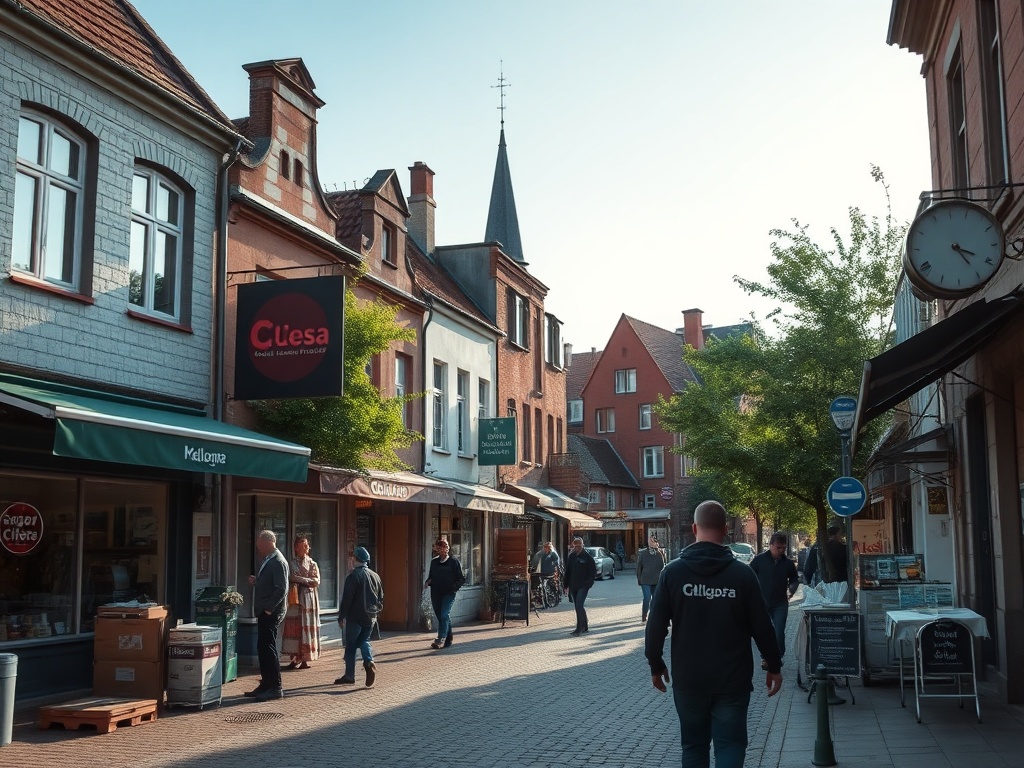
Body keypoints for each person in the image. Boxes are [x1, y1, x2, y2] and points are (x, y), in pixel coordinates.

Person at [645, 500, 782, 768]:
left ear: (695, 528)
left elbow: (656, 626)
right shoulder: (742, 575)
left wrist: (656, 663)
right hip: (732, 680)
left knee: (694, 746)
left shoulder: (672, 573)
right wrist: (774, 665)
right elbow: (763, 626)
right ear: (725, 529)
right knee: (730, 745)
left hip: (689, 679)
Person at [245, 530, 289, 701]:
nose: (258, 547)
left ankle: (275, 686)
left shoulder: (278, 561)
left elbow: (281, 588)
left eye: (259, 544)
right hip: (264, 611)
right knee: (263, 648)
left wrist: (269, 608)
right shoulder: (269, 559)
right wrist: (258, 581)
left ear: (267, 542)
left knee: (268, 648)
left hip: (270, 613)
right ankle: (266, 684)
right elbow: (271, 583)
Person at [335, 546, 384, 688]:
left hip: (355, 616)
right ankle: (368, 661)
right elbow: (381, 597)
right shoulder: (375, 576)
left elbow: (347, 598)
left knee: (351, 645)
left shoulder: (353, 576)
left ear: (355, 560)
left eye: (352, 558)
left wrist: (341, 616)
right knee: (364, 641)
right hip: (371, 616)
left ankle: (350, 675)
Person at [749, 533, 799, 663]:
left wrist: (791, 590)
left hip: (780, 603)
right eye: (778, 548)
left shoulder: (787, 563)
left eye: (783, 548)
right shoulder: (759, 560)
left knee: (779, 632)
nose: (781, 551)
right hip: (762, 602)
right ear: (771, 545)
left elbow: (794, 579)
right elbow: (749, 576)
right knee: (763, 632)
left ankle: (778, 656)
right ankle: (765, 657)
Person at [282, 535, 321, 670]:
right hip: (296, 598)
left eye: (306, 546)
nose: (305, 548)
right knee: (295, 629)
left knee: (307, 628)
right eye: (302, 546)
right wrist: (305, 580)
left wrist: (302, 579)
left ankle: (305, 659)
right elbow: (291, 577)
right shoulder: (292, 563)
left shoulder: (312, 563)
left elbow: (316, 581)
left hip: (309, 599)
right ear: (296, 548)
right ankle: (294, 659)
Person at [424, 538, 465, 649]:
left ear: (448, 548)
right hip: (436, 593)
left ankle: (440, 638)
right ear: (437, 549)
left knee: (444, 614)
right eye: (440, 547)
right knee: (442, 616)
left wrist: (454, 588)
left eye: (445, 547)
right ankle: (449, 638)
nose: (443, 549)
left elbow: (461, 578)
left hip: (448, 593)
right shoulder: (434, 562)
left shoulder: (453, 561)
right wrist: (428, 582)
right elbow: (431, 577)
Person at [563, 536, 596, 636]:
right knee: (577, 606)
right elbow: (567, 571)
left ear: (583, 545)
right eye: (575, 546)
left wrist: (588, 584)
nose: (577, 548)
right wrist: (566, 585)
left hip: (583, 585)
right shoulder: (571, 557)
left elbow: (592, 572)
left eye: (579, 546)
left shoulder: (588, 557)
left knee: (579, 605)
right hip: (573, 585)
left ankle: (580, 627)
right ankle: (585, 626)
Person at [636, 533, 666, 623]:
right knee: (647, 598)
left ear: (656, 542)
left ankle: (653, 616)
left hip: (657, 580)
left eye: (653, 540)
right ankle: (644, 616)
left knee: (656, 599)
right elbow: (639, 567)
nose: (651, 542)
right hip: (645, 580)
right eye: (650, 540)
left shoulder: (660, 553)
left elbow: (664, 566)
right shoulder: (643, 553)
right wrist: (639, 579)